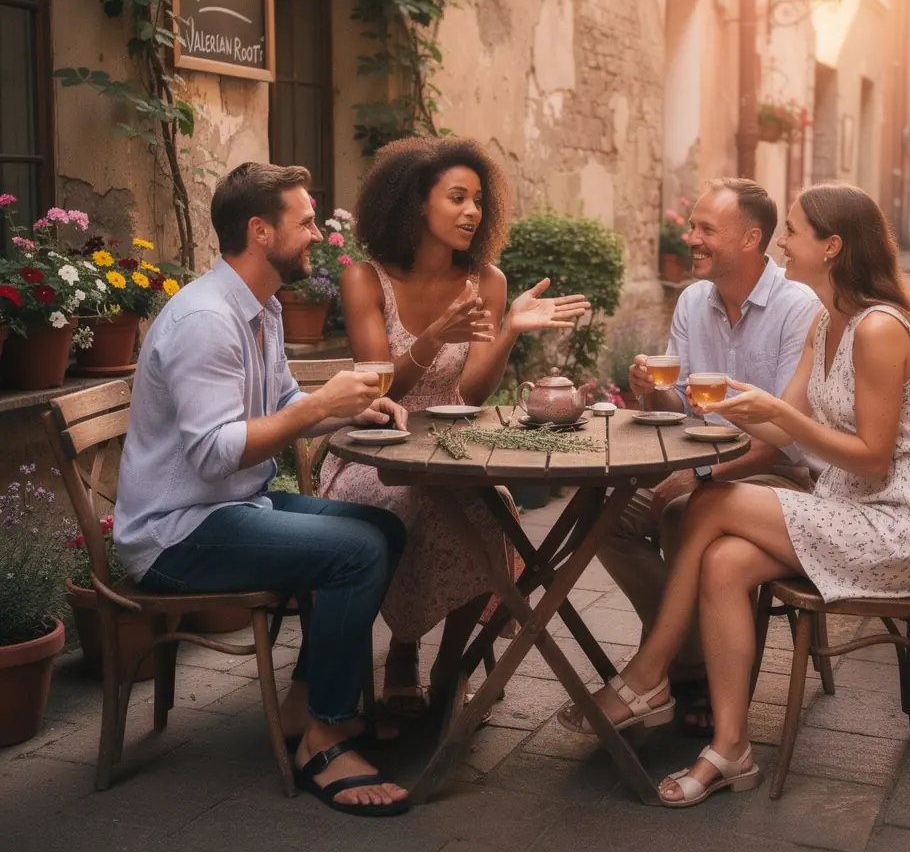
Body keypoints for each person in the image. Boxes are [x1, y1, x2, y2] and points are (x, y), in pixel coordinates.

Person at [560, 182, 910, 809]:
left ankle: (648, 675)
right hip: (845, 506)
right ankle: (731, 747)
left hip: (895, 523)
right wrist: (742, 404)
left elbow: (874, 456)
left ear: (833, 246)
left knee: (708, 502)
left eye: (792, 231)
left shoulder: (878, 329)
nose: (783, 242)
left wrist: (773, 418)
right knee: (722, 560)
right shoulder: (828, 322)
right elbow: (781, 418)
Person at [114, 162, 412, 817]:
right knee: (356, 551)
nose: (317, 235)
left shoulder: (262, 306)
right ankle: (326, 740)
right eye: (306, 221)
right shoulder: (205, 320)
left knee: (383, 525)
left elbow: (280, 400)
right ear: (259, 230)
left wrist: (346, 408)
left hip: (231, 506)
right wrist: (316, 408)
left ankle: (304, 706)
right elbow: (215, 453)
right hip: (176, 532)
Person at [319, 136, 590, 722]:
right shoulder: (365, 279)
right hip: (378, 449)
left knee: (490, 516)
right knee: (401, 505)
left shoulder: (486, 281)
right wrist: (436, 334)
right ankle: (402, 653)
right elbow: (379, 388)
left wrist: (510, 328)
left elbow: (468, 394)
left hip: (452, 447)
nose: (473, 211)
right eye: (457, 198)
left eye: (478, 200)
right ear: (417, 203)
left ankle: (452, 665)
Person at [597, 177, 820, 733]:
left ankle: (686, 678)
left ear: (750, 239)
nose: (689, 237)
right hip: (701, 461)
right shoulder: (694, 300)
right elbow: (680, 408)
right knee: (603, 516)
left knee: (683, 513)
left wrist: (701, 476)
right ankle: (691, 658)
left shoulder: (799, 308)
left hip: (781, 473)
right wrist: (649, 389)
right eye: (691, 226)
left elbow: (786, 440)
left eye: (704, 229)